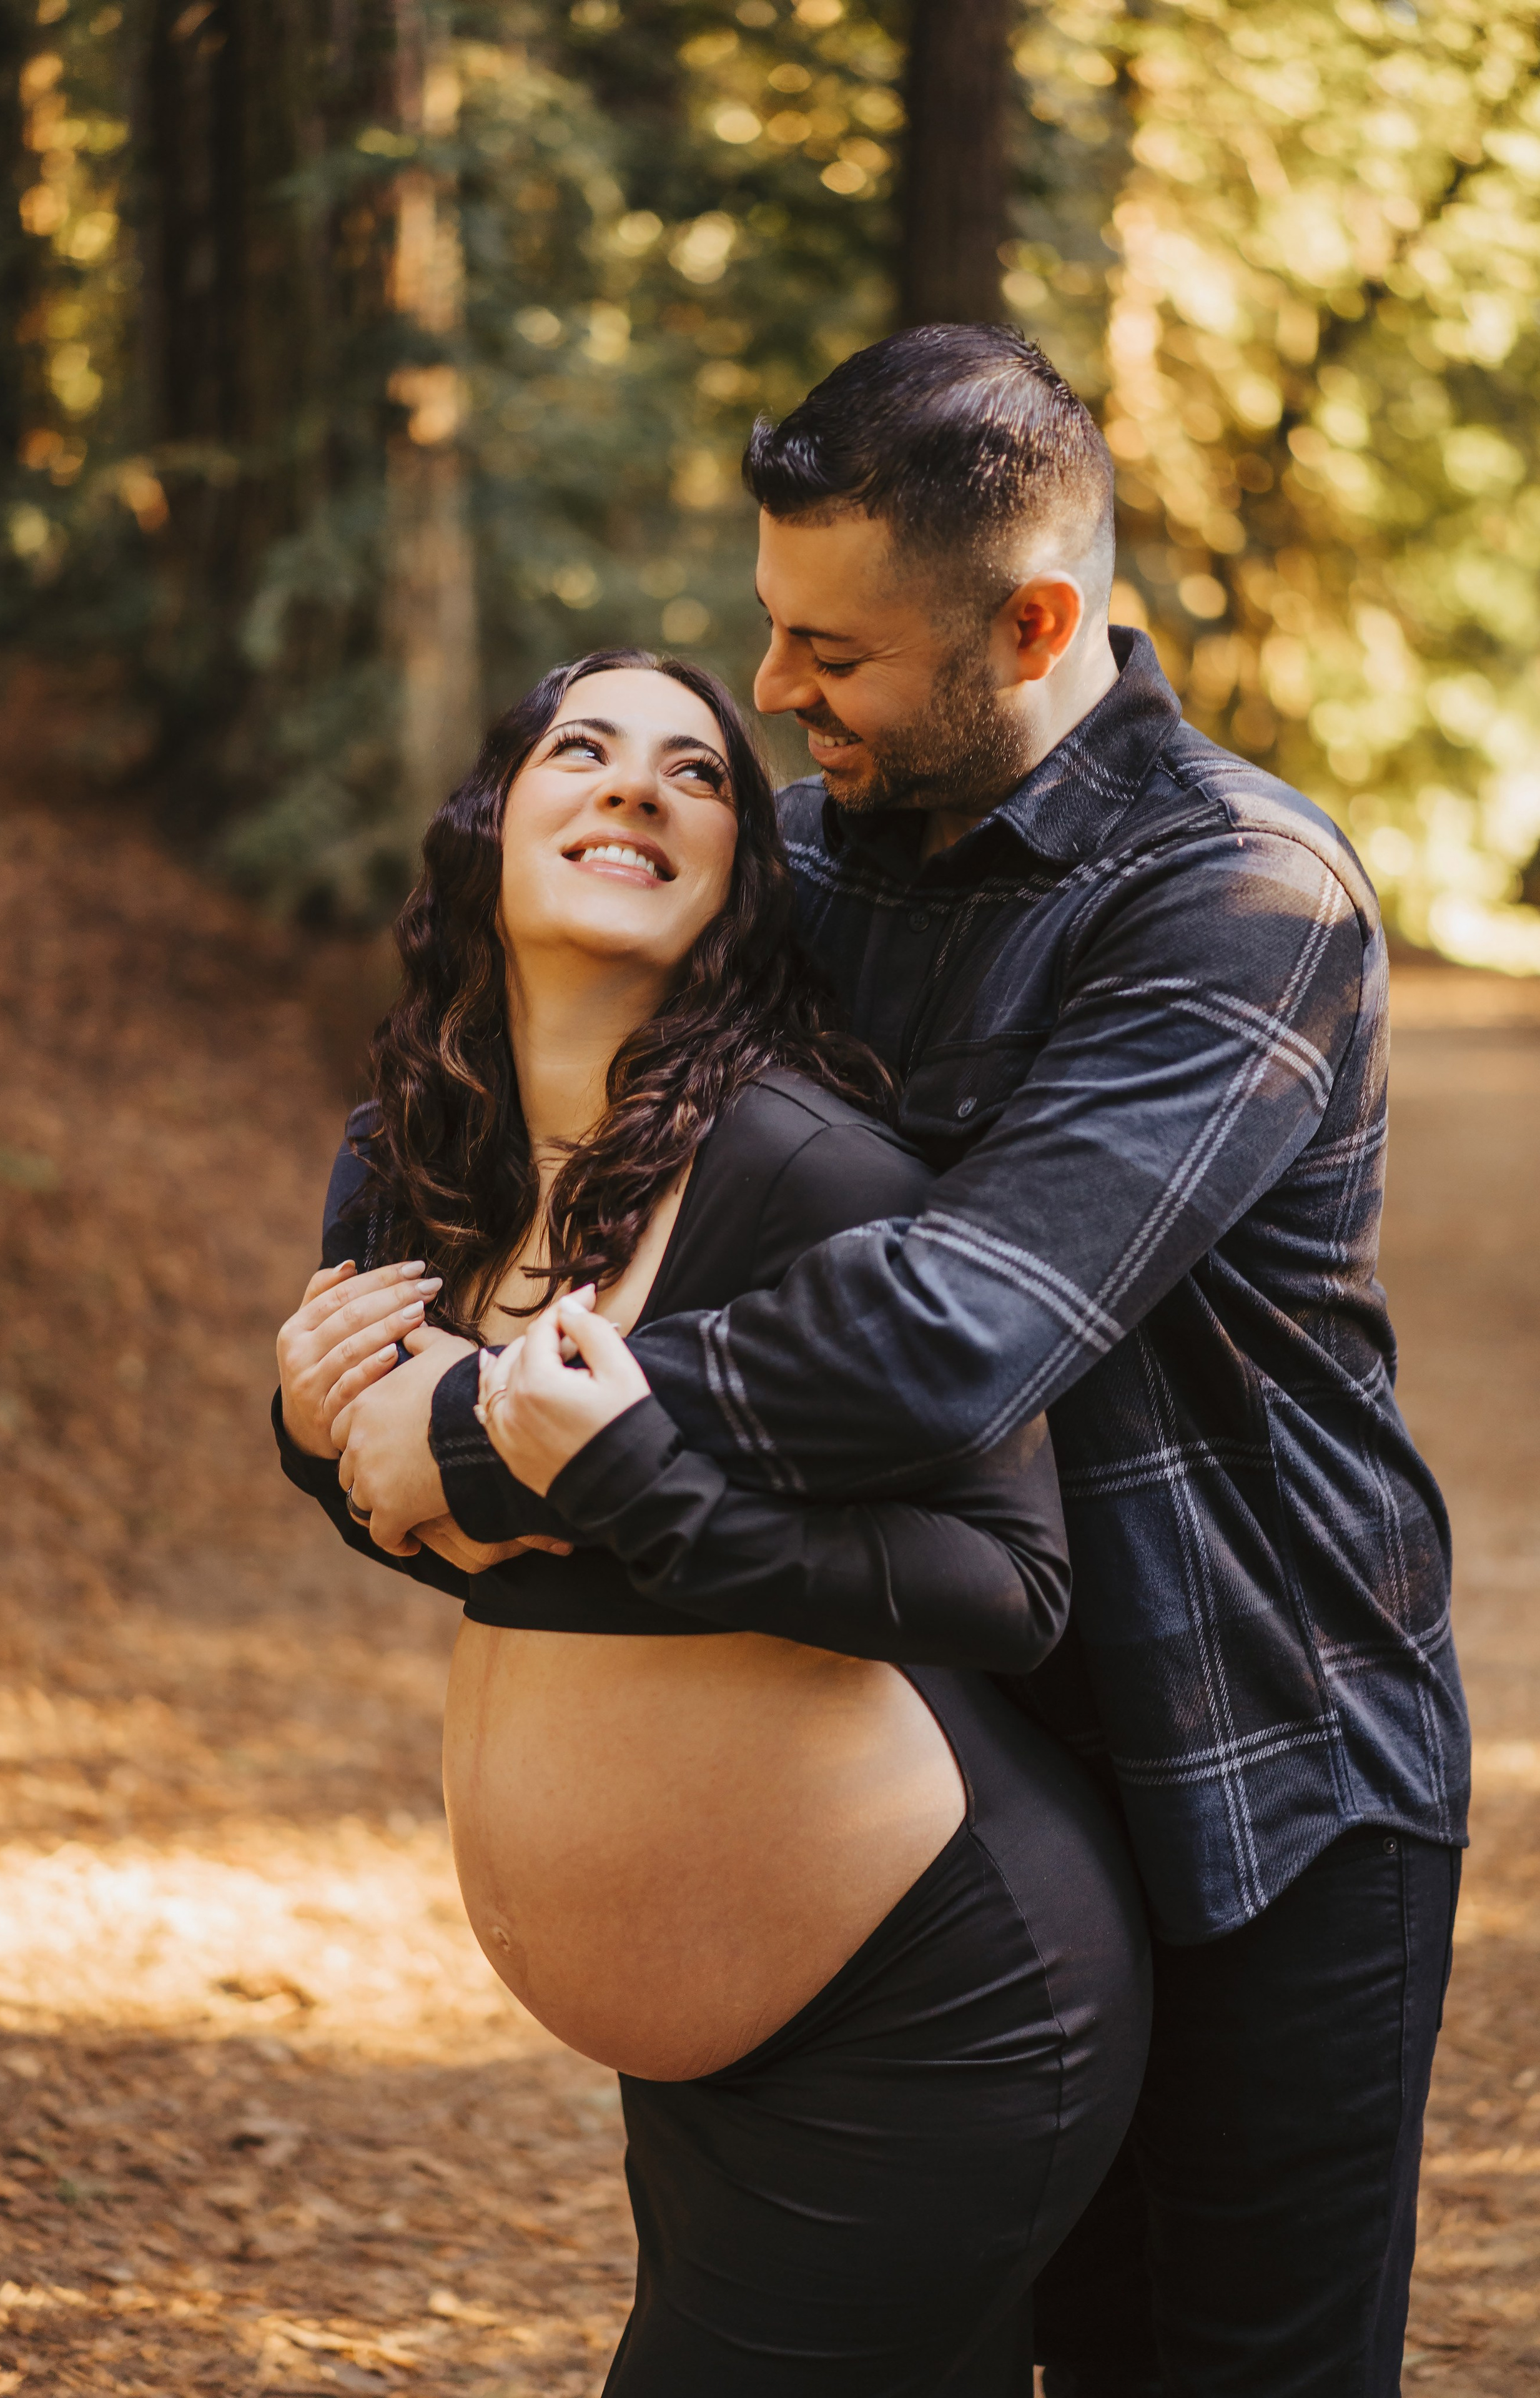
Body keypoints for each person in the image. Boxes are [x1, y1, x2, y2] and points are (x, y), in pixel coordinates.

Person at [319, 328, 1471, 2398]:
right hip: (904, 1792)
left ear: (1031, 626)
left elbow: (957, 1324)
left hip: (1247, 1774)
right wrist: (348, 1378)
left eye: (829, 652)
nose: (771, 695)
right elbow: (514, 1075)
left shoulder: (1240, 894)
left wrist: (493, 1431)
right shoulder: (819, 854)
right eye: (772, 629)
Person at [274, 647, 1151, 2395]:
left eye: (696, 774)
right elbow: (455, 1512)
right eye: (582, 749)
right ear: (493, 823)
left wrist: (632, 1483)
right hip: (707, 2043)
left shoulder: (805, 1170)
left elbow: (1012, 1582)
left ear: (740, 874)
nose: (635, 785)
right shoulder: (414, 1155)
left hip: (936, 2003)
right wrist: (316, 1443)